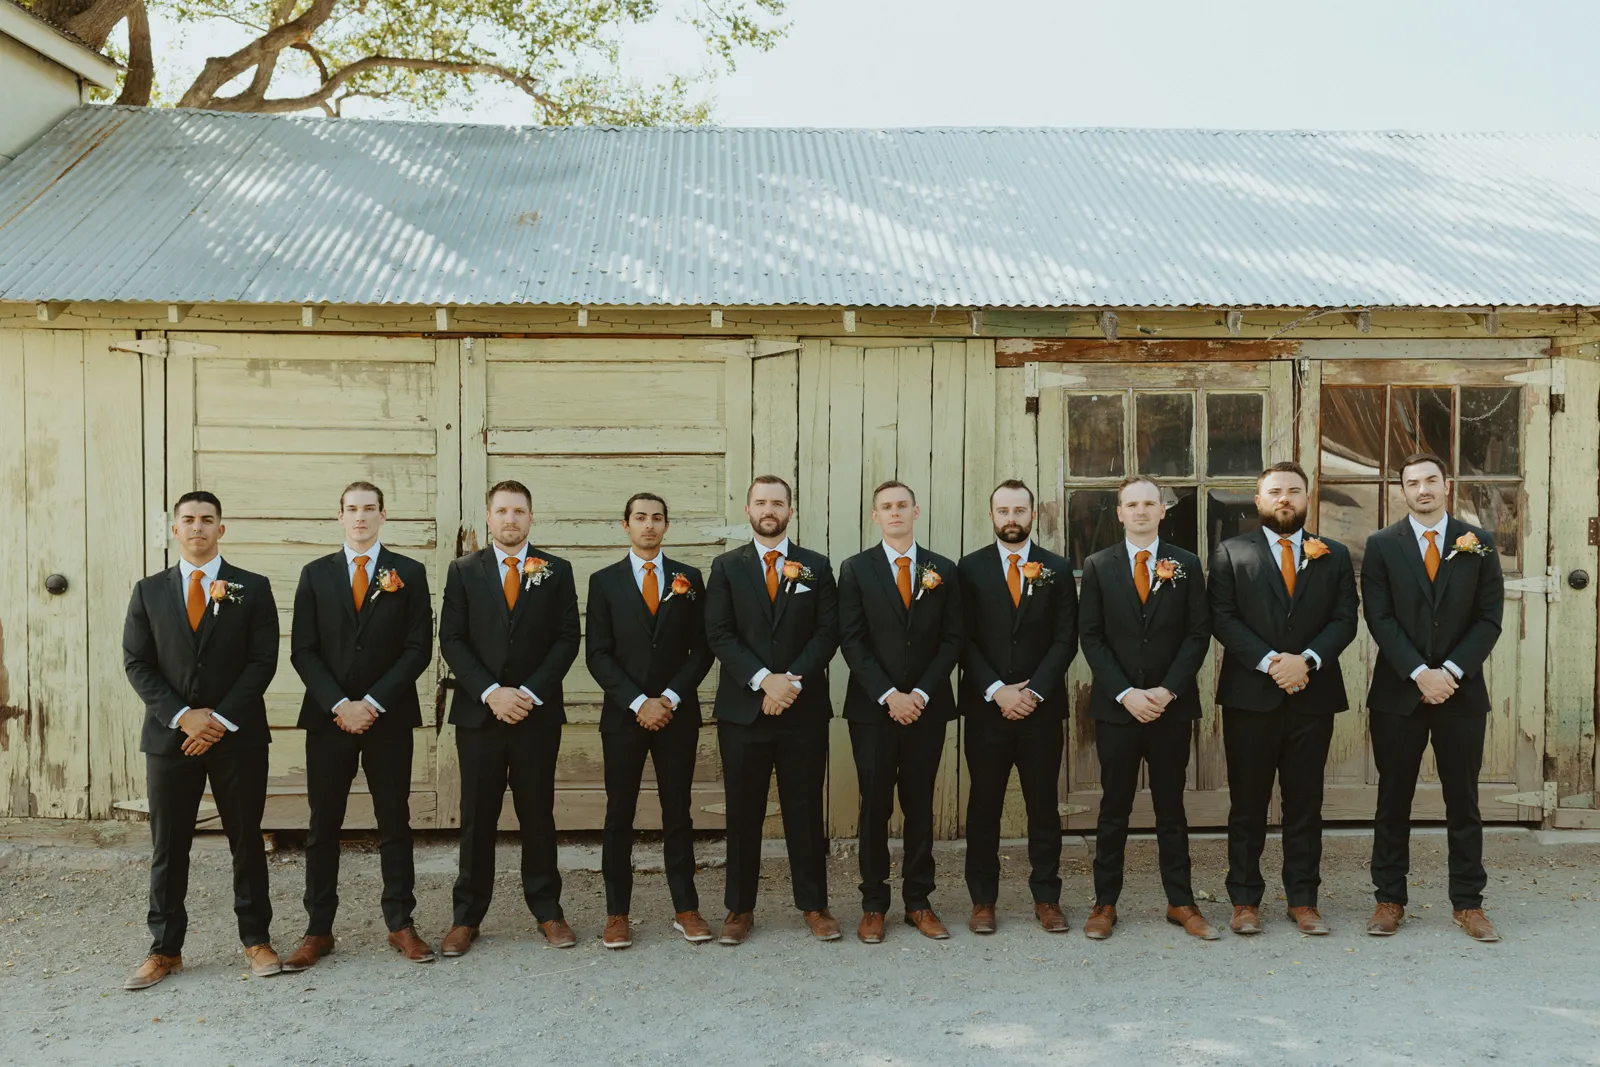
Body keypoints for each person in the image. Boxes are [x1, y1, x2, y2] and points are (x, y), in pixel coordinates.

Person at [121, 491, 281, 989]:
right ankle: (165, 949)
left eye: (207, 520)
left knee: (245, 841)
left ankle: (256, 939)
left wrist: (219, 720)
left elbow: (263, 660)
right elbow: (138, 663)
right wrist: (183, 717)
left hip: (238, 738)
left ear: (221, 529)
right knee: (168, 846)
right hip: (171, 740)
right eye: (188, 520)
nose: (197, 528)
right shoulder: (148, 591)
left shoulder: (251, 588)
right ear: (174, 530)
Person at [284, 481, 436, 970]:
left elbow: (418, 648)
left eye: (370, 509)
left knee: (395, 821)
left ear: (383, 515)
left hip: (387, 717)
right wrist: (339, 704)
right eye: (352, 509)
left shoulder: (408, 573)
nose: (361, 517)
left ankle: (401, 924)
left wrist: (370, 702)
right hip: (329, 720)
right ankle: (318, 930)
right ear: (340, 515)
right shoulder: (315, 574)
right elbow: (302, 649)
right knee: (323, 825)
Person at [1209, 461, 1358, 936]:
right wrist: (1274, 662)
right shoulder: (1231, 553)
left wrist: (1307, 660)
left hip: (1312, 697)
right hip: (1251, 698)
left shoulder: (1332, 554)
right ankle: (1244, 900)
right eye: (1275, 491)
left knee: (1305, 804)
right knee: (1247, 805)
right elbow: (1223, 618)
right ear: (1258, 501)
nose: (1284, 499)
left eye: (1294, 491)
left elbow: (1345, 618)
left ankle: (1303, 899)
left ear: (1307, 498)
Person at [1361, 453, 1505, 941]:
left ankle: (1468, 903)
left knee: (1462, 801)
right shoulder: (1381, 545)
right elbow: (1379, 618)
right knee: (1392, 799)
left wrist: (1452, 672)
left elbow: (1489, 618)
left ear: (1446, 485)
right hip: (1398, 694)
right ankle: (1388, 899)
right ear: (1401, 490)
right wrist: (1421, 673)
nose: (1421, 489)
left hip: (1461, 695)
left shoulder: (1478, 542)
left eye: (1429, 481)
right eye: (1411, 483)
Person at [438, 480, 581, 955]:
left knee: (537, 813)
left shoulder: (556, 571)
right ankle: (467, 917)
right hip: (480, 716)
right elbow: (452, 639)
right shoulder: (463, 571)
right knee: (477, 819)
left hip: (536, 716)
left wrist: (529, 693)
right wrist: (492, 693)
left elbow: (566, 639)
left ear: (531, 517)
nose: (510, 519)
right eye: (502, 511)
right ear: (489, 517)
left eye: (519, 511)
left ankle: (548, 911)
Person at [704, 475, 840, 945]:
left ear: (790, 511)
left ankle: (814, 905)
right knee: (744, 811)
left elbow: (828, 632)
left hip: (802, 710)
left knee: (803, 809)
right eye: (761, 502)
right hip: (744, 710)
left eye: (777, 503)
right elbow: (719, 633)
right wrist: (764, 680)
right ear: (748, 510)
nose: (769, 509)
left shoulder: (816, 566)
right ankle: (739, 908)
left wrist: (790, 682)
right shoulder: (726, 567)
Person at [1077, 475, 1215, 940]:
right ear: (1119, 513)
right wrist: (1125, 693)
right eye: (1131, 504)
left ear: (1162, 511)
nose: (1139, 511)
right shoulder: (1098, 565)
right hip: (1118, 709)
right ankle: (1104, 903)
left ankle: (1181, 902)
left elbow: (1199, 633)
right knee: (1113, 807)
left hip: (1169, 708)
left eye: (1148, 503)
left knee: (1170, 807)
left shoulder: (1187, 564)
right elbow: (1091, 637)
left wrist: (1167, 690)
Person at [585, 492, 715, 948]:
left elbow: (702, 648)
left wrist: (671, 697)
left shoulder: (689, 578)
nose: (648, 525)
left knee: (677, 811)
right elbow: (597, 654)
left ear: (666, 526)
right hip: (624, 717)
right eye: (640, 518)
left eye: (657, 518)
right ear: (626, 525)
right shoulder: (604, 582)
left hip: (676, 715)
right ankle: (617, 912)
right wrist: (639, 702)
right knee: (619, 814)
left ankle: (686, 907)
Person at [837, 481, 963, 943]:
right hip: (873, 710)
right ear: (875, 516)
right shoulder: (855, 569)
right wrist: (890, 694)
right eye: (886, 508)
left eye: (902, 506)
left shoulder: (942, 570)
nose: (895, 513)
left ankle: (919, 901)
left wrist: (921, 695)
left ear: (916, 511)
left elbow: (953, 639)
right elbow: (851, 639)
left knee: (920, 804)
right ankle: (873, 903)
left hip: (926, 709)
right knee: (874, 806)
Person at [957, 480, 1078, 935]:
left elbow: (1067, 637)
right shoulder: (968, 570)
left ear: (1033, 515)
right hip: (987, 711)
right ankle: (982, 900)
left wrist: (1034, 691)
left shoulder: (1056, 569)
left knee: (1043, 805)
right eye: (1003, 510)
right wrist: (996, 689)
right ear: (991, 516)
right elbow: (961, 637)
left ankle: (1047, 897)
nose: (1012, 518)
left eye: (1020, 510)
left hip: (1040, 711)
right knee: (983, 805)